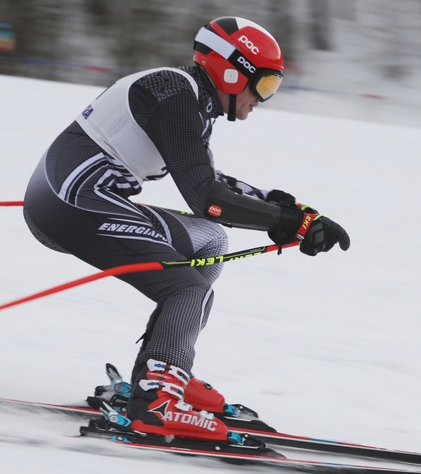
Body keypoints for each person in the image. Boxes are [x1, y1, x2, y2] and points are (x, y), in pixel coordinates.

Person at [23, 16, 349, 444]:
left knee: (209, 241)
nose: (262, 101)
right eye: (264, 86)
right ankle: (156, 399)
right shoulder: (174, 96)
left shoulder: (187, 97)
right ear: (231, 71)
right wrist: (283, 222)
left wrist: (289, 208)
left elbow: (209, 180)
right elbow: (206, 197)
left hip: (77, 197)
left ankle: (165, 372)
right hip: (72, 203)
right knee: (185, 287)